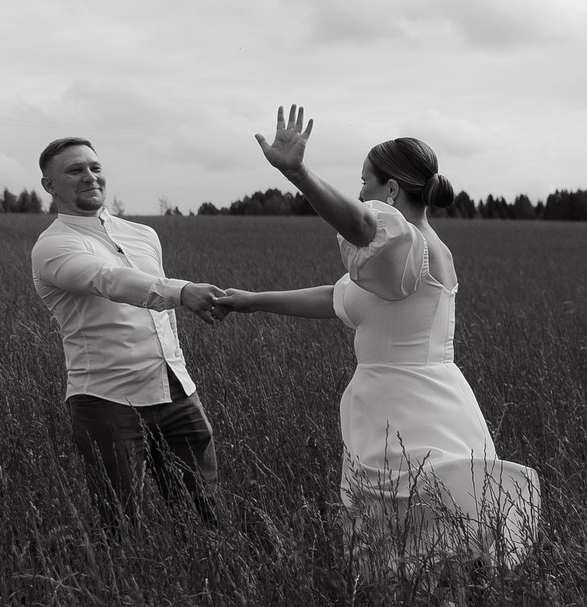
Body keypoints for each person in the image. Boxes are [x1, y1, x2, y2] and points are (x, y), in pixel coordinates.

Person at [216, 106, 539, 579]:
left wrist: (299, 174)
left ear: (391, 190)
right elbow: (337, 297)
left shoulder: (407, 243)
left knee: (423, 539)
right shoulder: (400, 259)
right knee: (418, 540)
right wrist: (251, 301)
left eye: (365, 181)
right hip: (400, 404)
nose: (360, 192)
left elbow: (363, 227)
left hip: (412, 412)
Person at [30, 136, 230, 525]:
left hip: (175, 393)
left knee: (206, 512)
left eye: (95, 167)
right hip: (106, 399)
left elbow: (159, 315)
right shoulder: (53, 246)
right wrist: (183, 291)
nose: (90, 177)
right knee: (121, 522)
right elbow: (110, 280)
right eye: (75, 170)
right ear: (49, 186)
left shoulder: (144, 235)